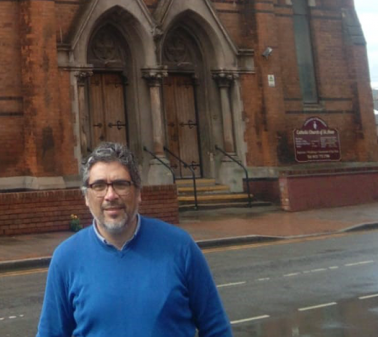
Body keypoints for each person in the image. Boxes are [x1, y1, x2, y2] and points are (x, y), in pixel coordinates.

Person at [37, 142, 232, 337]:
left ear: (138, 192)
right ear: (86, 197)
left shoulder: (180, 247)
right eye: (99, 186)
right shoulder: (66, 258)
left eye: (121, 184)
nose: (110, 195)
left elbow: (216, 329)